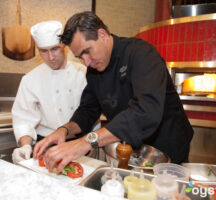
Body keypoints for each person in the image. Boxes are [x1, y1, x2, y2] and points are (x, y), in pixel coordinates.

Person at [33, 12, 193, 174]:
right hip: (133, 151)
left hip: (167, 148)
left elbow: (145, 112)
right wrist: (64, 130)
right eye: (80, 56)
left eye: (87, 51)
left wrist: (85, 142)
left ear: (102, 35)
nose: (86, 62)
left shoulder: (141, 54)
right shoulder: (94, 70)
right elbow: (87, 111)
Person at [11, 20, 87, 164]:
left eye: (55, 49)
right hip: (46, 145)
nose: (50, 57)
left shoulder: (83, 73)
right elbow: (23, 119)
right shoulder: (30, 79)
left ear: (64, 45)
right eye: (44, 51)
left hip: (79, 144)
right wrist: (25, 146)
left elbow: (91, 113)